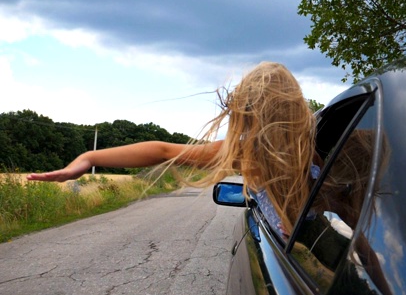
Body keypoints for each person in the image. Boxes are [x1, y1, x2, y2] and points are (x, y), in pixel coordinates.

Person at [27, 62, 317, 236]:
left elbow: (163, 151)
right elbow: (162, 151)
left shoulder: (249, 155)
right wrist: (89, 156)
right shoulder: (316, 153)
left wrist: (89, 158)